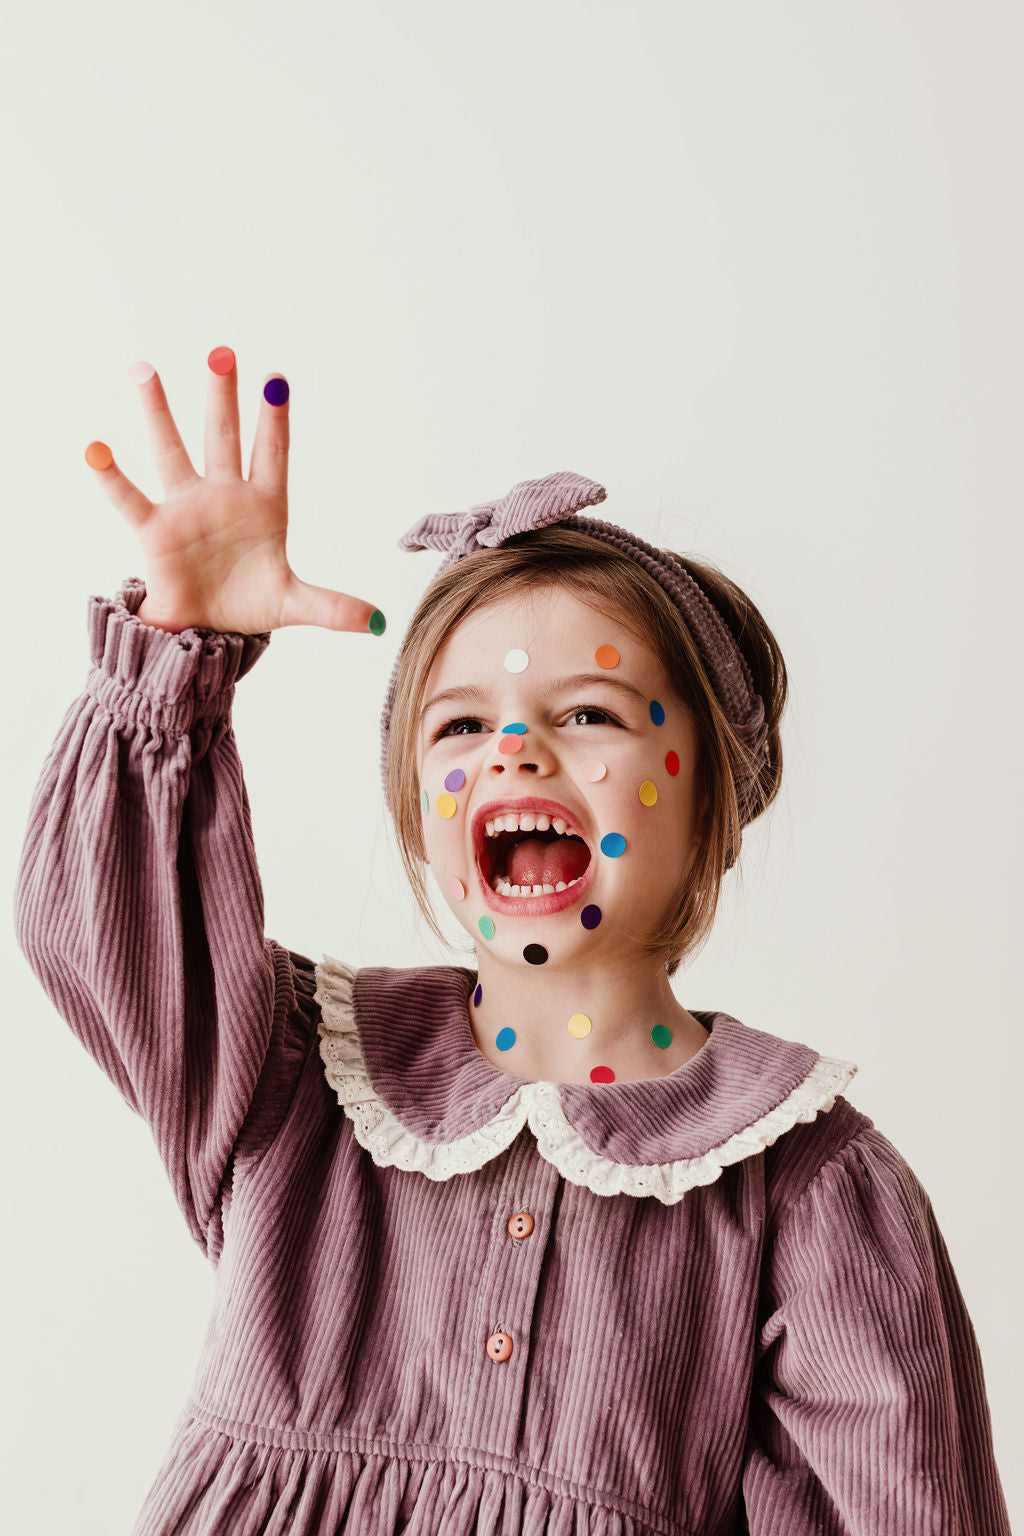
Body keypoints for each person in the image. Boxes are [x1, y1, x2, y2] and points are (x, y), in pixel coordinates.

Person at [15, 348, 1010, 1535]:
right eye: (461, 725)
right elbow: (98, 923)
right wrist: (173, 661)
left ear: (714, 794)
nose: (513, 752)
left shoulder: (801, 1186)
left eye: (587, 713)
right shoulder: (293, 1076)